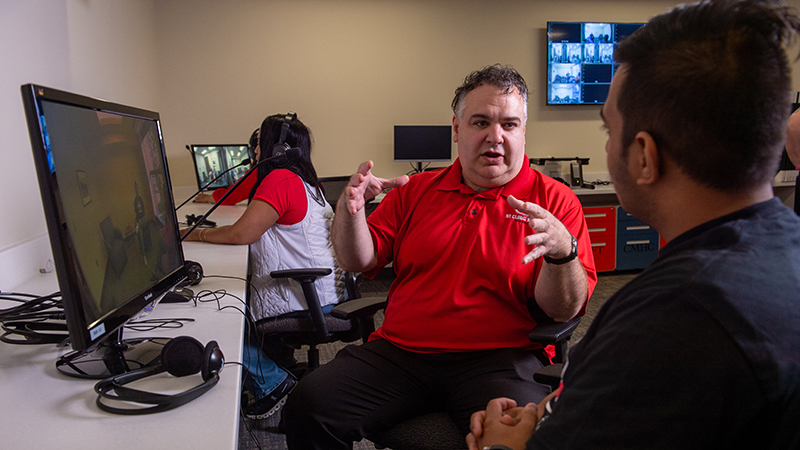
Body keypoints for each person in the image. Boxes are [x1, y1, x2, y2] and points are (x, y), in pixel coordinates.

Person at [467, 1, 800, 449]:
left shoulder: (670, 320)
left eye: (609, 130)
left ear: (644, 154)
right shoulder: (783, 251)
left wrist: (498, 445)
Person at [283, 64, 597, 449]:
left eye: (509, 125)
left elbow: (564, 310)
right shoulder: (415, 190)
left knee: (528, 439)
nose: (495, 137)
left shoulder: (553, 201)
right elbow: (356, 260)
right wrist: (352, 214)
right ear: (457, 129)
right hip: (401, 352)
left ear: (523, 131)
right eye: (480, 122)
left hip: (500, 357)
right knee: (306, 405)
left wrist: (562, 253)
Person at [182, 113, 345, 419]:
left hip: (301, 296)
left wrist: (194, 233)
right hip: (320, 293)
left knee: (215, 317)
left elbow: (240, 234)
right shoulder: (308, 181)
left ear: (275, 149)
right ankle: (274, 366)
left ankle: (272, 383)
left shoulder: (280, 179)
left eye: (258, 145)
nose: (254, 152)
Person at [193, 128, 260, 205]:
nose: (256, 150)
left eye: (259, 143)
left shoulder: (260, 172)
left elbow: (232, 195)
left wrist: (208, 198)